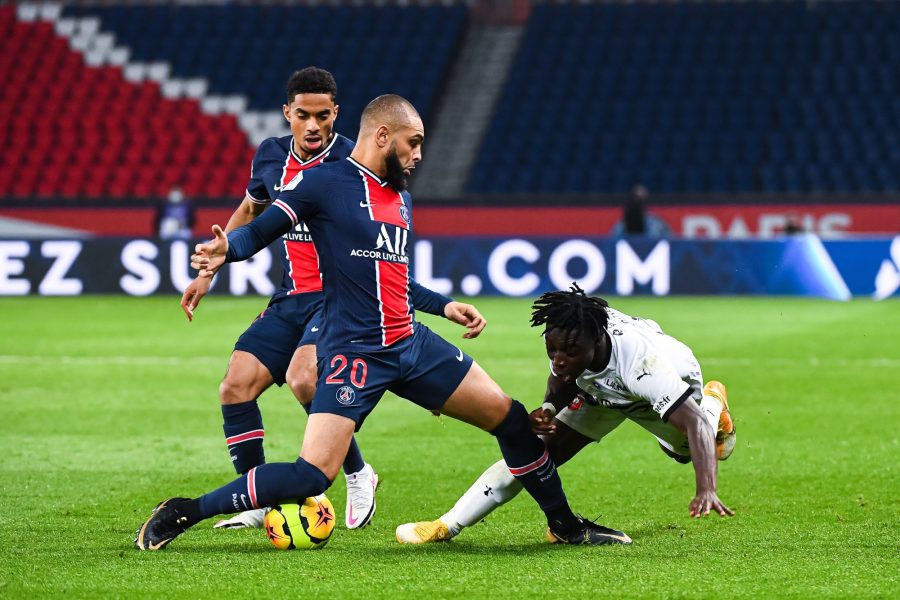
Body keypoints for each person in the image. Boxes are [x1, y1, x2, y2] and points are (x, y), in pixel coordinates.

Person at [135, 95, 630, 550]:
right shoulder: (323, 183)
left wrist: (444, 306)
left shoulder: (400, 198)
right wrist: (228, 249)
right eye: (412, 143)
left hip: (412, 345)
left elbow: (393, 278)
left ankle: (565, 526)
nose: (417, 155)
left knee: (511, 419)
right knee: (311, 477)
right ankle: (185, 511)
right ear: (381, 135)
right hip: (354, 354)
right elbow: (262, 229)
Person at [179, 67, 378, 531]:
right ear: (287, 112)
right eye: (303, 115)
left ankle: (357, 472)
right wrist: (213, 265)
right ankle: (254, 493)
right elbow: (252, 208)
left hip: (337, 298)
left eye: (323, 116)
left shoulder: (355, 161)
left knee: (305, 379)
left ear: (336, 115)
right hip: (290, 297)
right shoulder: (270, 156)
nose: (313, 126)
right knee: (236, 386)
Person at [395, 284, 736, 544]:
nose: (558, 358)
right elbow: (562, 380)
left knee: (684, 450)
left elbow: (690, 424)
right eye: (552, 349)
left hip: (664, 386)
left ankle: (714, 401)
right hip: (601, 391)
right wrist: (548, 408)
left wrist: (706, 488)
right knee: (535, 453)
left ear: (597, 340)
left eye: (568, 352)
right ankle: (447, 525)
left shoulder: (643, 366)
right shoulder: (568, 340)